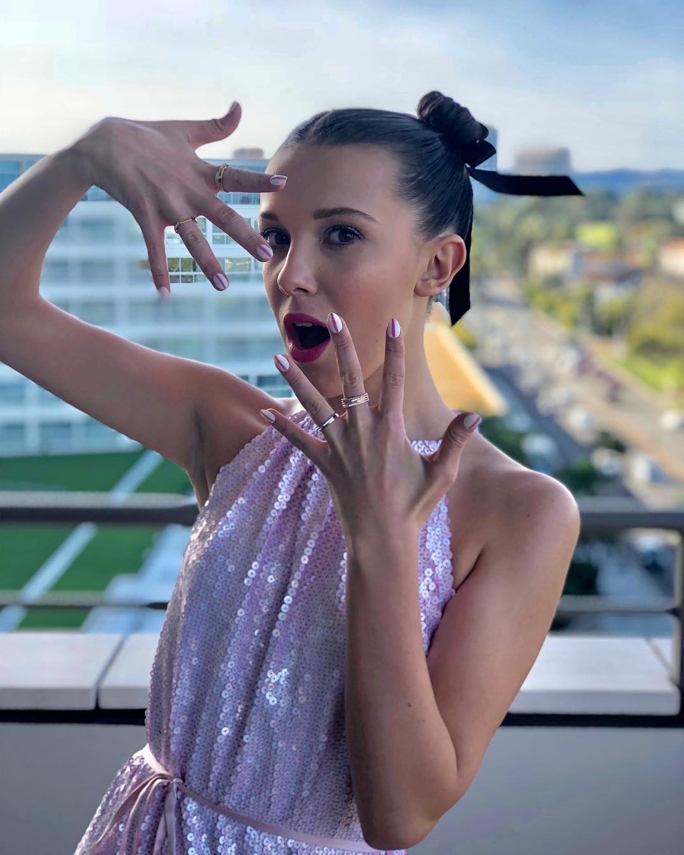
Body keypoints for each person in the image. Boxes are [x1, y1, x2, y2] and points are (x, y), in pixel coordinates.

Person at [0, 93, 582, 854]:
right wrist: (87, 154)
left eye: (340, 234)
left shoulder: (522, 512)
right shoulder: (237, 426)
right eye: (276, 238)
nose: (290, 274)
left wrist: (382, 538)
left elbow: (401, 814)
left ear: (438, 264)